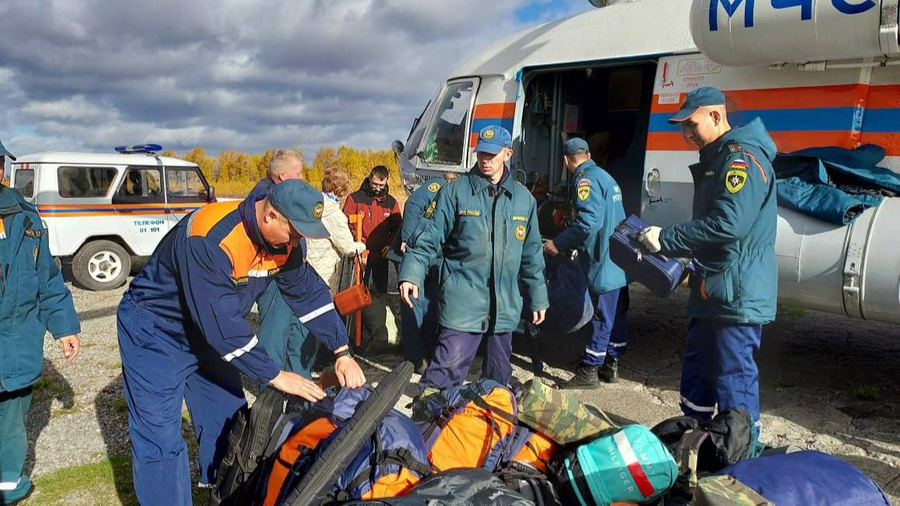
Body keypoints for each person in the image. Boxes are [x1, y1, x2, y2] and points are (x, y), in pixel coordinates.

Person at [117, 180, 366, 505]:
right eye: (294, 232)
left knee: (229, 421)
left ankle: (225, 494)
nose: (298, 240)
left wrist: (341, 351)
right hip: (155, 334)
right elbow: (222, 327)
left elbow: (308, 295)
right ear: (270, 216)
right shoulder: (209, 239)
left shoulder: (286, 244)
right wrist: (276, 374)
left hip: (208, 336)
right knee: (159, 439)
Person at [637, 87, 777, 452]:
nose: (686, 134)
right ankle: (693, 445)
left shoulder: (741, 160)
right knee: (698, 375)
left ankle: (740, 456)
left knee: (734, 380)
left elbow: (729, 224)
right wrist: (689, 265)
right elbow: (716, 234)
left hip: (735, 294)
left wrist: (666, 239)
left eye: (692, 124)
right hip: (713, 288)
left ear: (716, 116)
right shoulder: (717, 157)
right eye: (682, 127)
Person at [399, 126, 548, 391]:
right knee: (442, 378)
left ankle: (488, 429)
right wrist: (411, 272)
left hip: (503, 309)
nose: (485, 160)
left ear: (507, 153)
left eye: (492, 154)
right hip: (462, 306)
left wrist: (538, 297)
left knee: (498, 384)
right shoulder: (456, 192)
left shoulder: (523, 200)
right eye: (481, 154)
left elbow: (532, 255)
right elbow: (429, 237)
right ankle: (424, 426)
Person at [0, 140, 81, 504]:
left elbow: (48, 279)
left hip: (17, 348)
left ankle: (7, 484)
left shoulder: (27, 218)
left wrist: (64, 326)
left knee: (11, 424)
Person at [544, 138, 629, 389]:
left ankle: (589, 370)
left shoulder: (585, 180)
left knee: (603, 314)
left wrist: (558, 243)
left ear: (566, 160)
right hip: (618, 258)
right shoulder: (605, 176)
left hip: (603, 258)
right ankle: (611, 364)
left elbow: (588, 223)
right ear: (589, 154)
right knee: (617, 312)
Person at [250, 150, 318, 376]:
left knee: (300, 327)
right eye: (298, 173)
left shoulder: (284, 193)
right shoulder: (266, 197)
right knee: (274, 331)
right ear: (280, 176)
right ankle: (270, 387)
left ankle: (300, 382)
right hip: (274, 275)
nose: (302, 178)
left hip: (292, 271)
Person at [387, 172, 458, 374]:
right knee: (413, 305)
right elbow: (412, 206)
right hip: (409, 254)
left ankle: (429, 352)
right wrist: (408, 239)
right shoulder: (438, 186)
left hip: (433, 257)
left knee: (430, 306)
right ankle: (414, 358)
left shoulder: (456, 199)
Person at [343, 165, 402, 348]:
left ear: (386, 181)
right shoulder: (355, 199)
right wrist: (357, 245)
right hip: (359, 256)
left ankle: (382, 337)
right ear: (369, 179)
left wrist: (390, 244)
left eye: (380, 184)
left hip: (380, 258)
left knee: (380, 295)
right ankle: (353, 336)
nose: (376, 187)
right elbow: (345, 224)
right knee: (356, 295)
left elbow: (398, 227)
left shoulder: (391, 203)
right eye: (374, 183)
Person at [306, 167, 366, 293]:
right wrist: (362, 246)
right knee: (324, 305)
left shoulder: (313, 206)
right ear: (342, 190)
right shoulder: (335, 214)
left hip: (308, 265)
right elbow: (348, 248)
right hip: (325, 271)